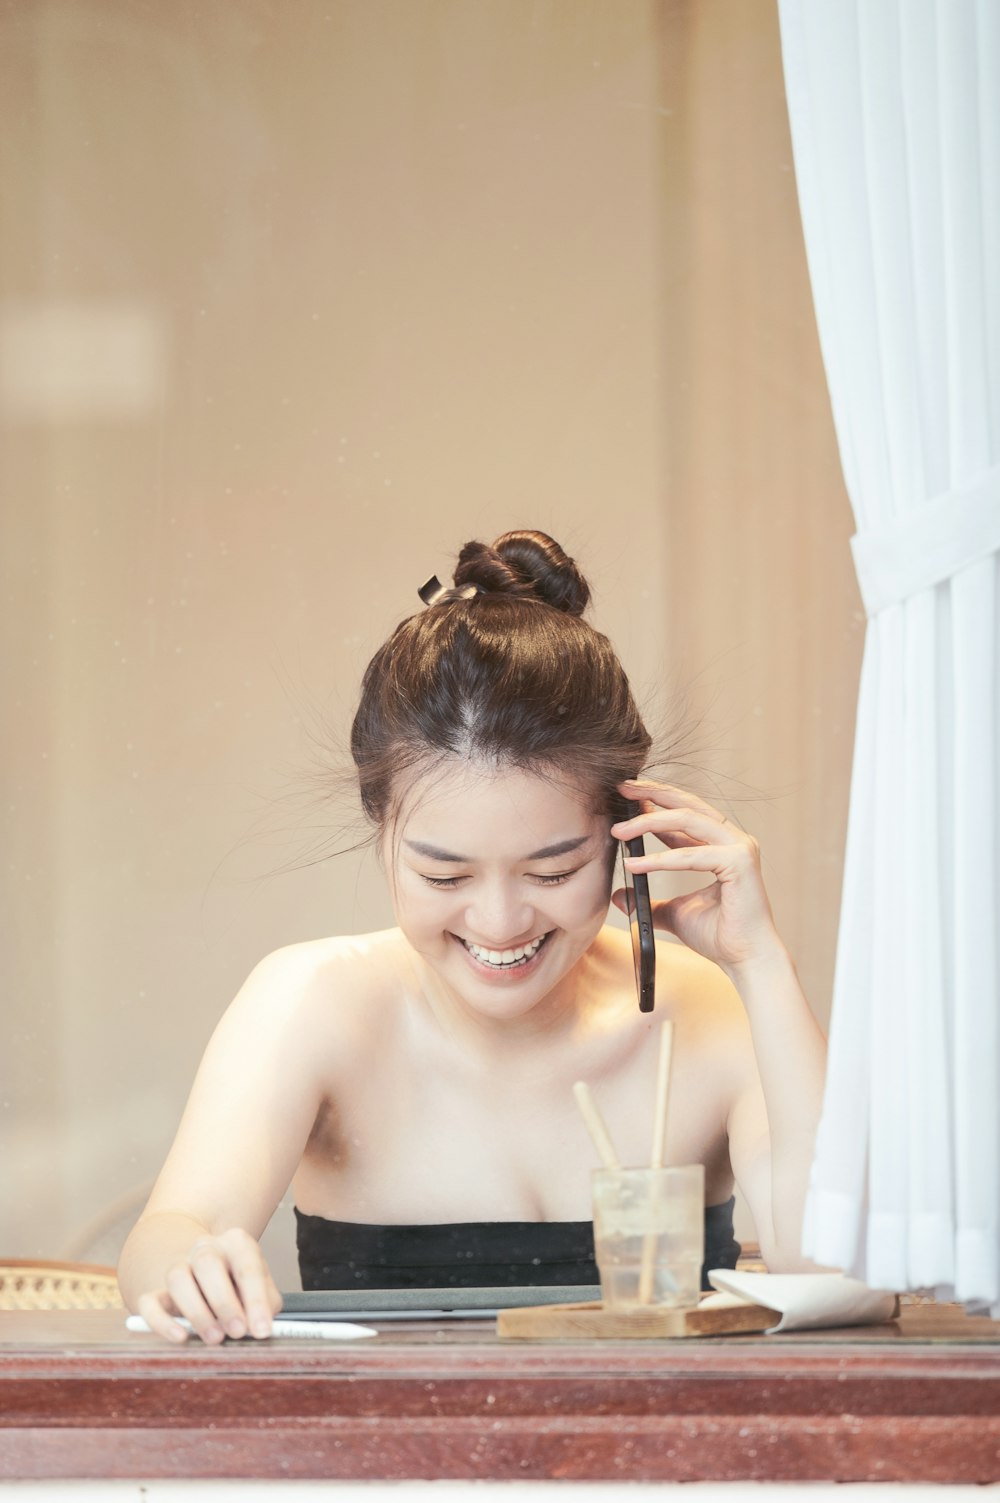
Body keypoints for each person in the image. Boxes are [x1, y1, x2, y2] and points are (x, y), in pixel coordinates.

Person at [118, 529, 827, 1343]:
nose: (499, 922)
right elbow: (174, 1228)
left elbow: (834, 1267)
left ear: (627, 834)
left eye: (553, 871)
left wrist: (761, 962)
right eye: (446, 877)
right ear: (382, 830)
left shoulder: (702, 1009)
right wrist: (185, 1267)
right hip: (380, 1465)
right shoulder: (314, 1003)